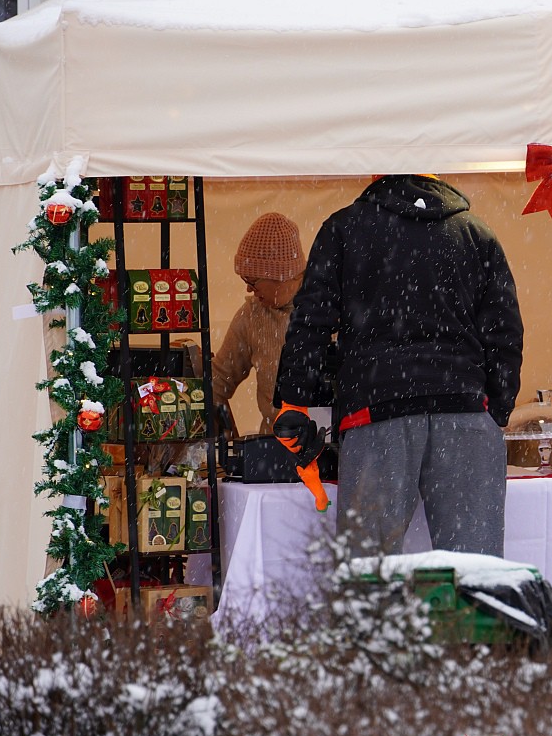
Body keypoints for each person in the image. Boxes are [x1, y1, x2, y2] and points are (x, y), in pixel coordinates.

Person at [274, 174, 524, 556]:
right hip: (464, 412)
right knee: (478, 575)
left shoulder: (344, 228)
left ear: (376, 172)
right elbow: (505, 333)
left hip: (377, 412)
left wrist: (294, 402)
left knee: (367, 576)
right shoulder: (476, 234)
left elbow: (311, 322)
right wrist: (496, 406)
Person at [211, 212, 306, 435]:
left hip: (331, 448)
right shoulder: (252, 315)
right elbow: (217, 382)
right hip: (275, 448)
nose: (248, 290)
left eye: (252, 282)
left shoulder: (330, 307)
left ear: (281, 275)